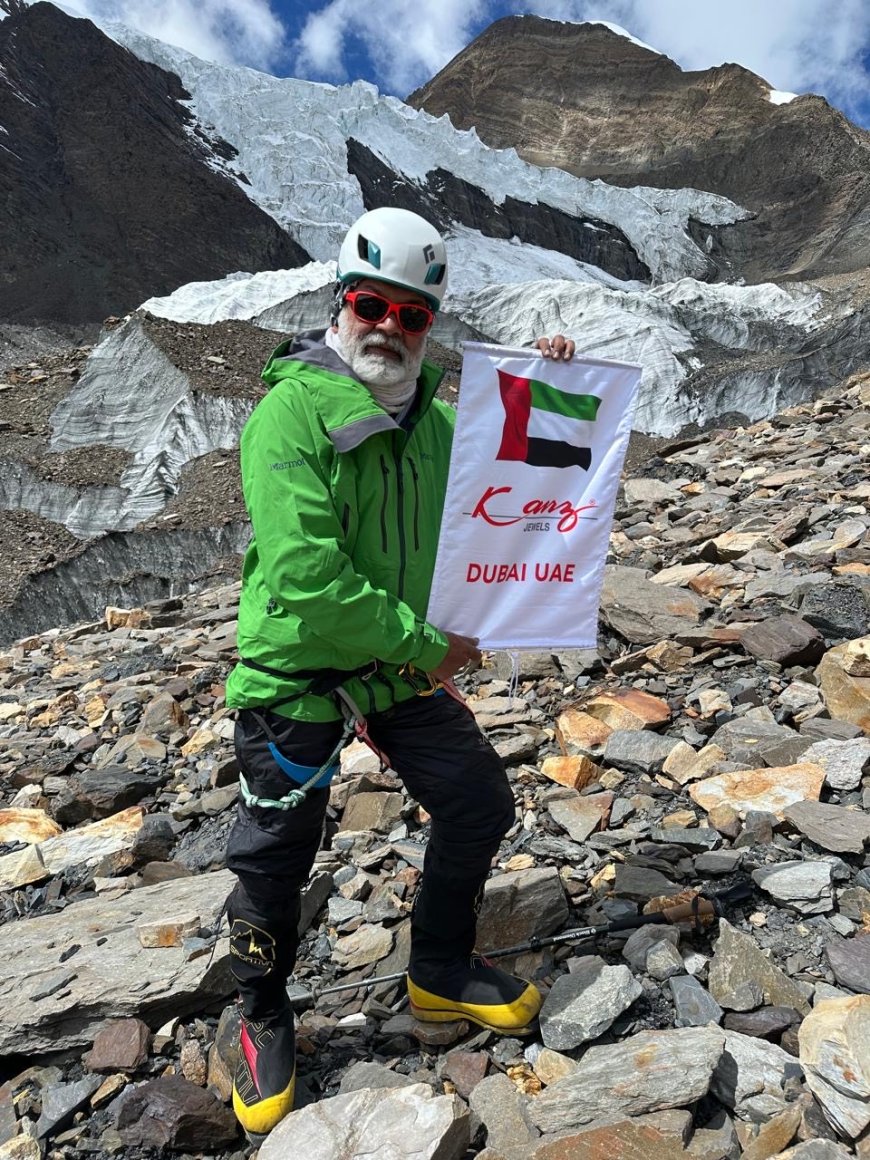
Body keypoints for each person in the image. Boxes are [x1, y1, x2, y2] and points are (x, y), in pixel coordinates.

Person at [223, 206, 575, 1141]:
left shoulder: (436, 422)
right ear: (342, 304)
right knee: (273, 858)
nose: (389, 326)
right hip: (298, 670)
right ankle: (258, 1013)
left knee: (477, 802)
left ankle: (440, 968)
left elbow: (526, 462)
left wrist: (552, 375)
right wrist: (429, 646)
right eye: (372, 305)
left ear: (428, 328)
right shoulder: (288, 413)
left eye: (411, 315)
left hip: (392, 665)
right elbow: (304, 576)